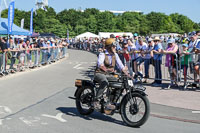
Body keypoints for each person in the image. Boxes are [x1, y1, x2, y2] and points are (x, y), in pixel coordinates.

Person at [94, 38, 129, 110]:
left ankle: (111, 102)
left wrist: (128, 73)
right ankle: (96, 100)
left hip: (109, 74)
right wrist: (104, 68)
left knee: (120, 83)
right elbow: (100, 63)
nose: (115, 48)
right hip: (99, 73)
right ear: (109, 47)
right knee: (104, 82)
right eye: (113, 46)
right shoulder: (102, 54)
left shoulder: (115, 55)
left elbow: (121, 66)